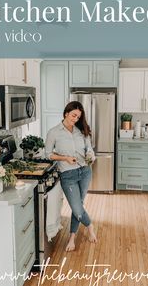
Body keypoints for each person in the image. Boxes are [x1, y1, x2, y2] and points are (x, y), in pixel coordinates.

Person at [45, 101, 97, 252]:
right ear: (66, 113)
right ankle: (90, 226)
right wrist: (65, 158)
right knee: (77, 208)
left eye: (78, 117)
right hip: (68, 174)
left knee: (78, 205)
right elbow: (48, 154)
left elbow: (89, 149)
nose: (75, 119)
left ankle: (72, 237)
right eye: (73, 115)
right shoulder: (54, 132)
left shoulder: (81, 130)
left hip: (85, 171)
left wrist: (90, 155)